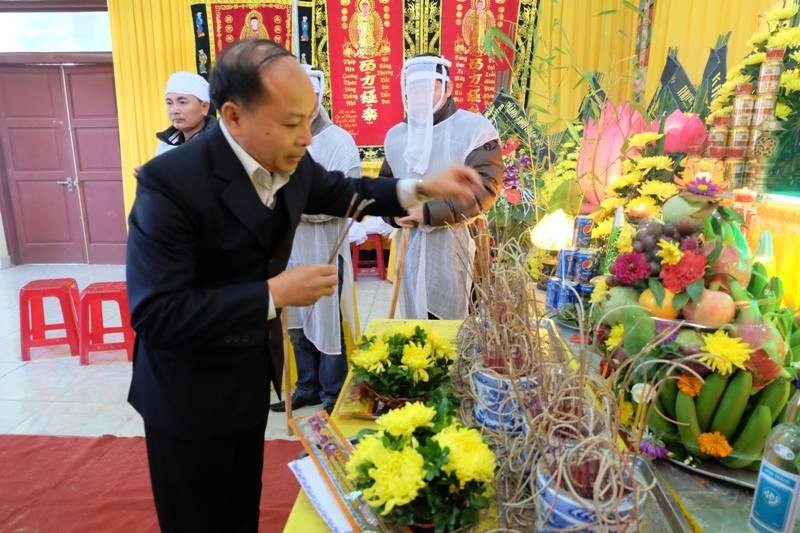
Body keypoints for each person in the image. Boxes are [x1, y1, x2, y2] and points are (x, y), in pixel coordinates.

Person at [126, 39, 484, 532]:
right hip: (187, 392)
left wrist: (422, 187)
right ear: (233, 117)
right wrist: (272, 294)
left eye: (308, 119)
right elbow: (157, 313)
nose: (306, 137)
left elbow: (349, 192)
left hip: (249, 374)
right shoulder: (170, 183)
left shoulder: (289, 160)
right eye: (291, 122)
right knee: (198, 517)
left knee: (239, 508)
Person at [382, 54, 503, 320]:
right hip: (411, 246)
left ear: (448, 88)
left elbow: (485, 187)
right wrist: (392, 214)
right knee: (417, 332)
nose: (420, 95)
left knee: (456, 334)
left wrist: (428, 212)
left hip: (458, 244)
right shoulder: (396, 136)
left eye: (429, 87)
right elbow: (385, 188)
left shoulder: (474, 129)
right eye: (413, 88)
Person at [270, 66, 359, 415]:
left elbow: (346, 198)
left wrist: (294, 207)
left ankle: (332, 391)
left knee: (327, 319)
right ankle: (306, 385)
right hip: (287, 248)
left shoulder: (339, 142)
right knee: (294, 317)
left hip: (326, 247)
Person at [155, 71, 216, 156]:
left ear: (204, 107)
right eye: (169, 103)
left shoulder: (217, 143)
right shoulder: (165, 145)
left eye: (182, 102)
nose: (174, 110)